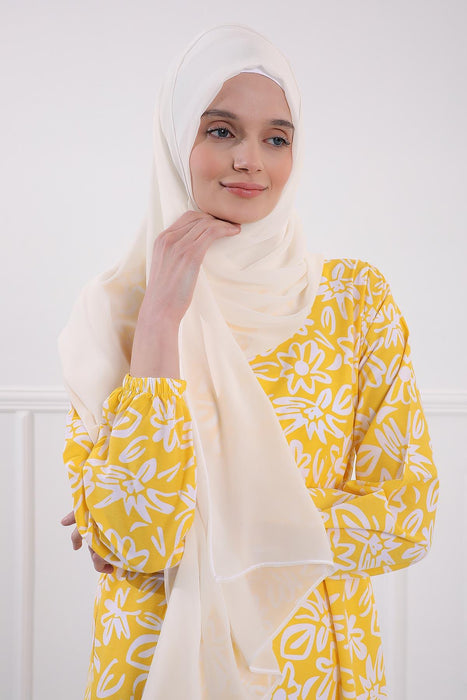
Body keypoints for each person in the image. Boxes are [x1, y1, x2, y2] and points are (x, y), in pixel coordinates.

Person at [59, 24, 438, 700]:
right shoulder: (115, 311)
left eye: (276, 139)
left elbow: (405, 519)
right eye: (221, 131)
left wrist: (205, 521)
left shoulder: (353, 300)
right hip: (152, 660)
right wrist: (161, 319)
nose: (250, 161)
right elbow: (142, 540)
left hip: (315, 664)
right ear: (176, 138)